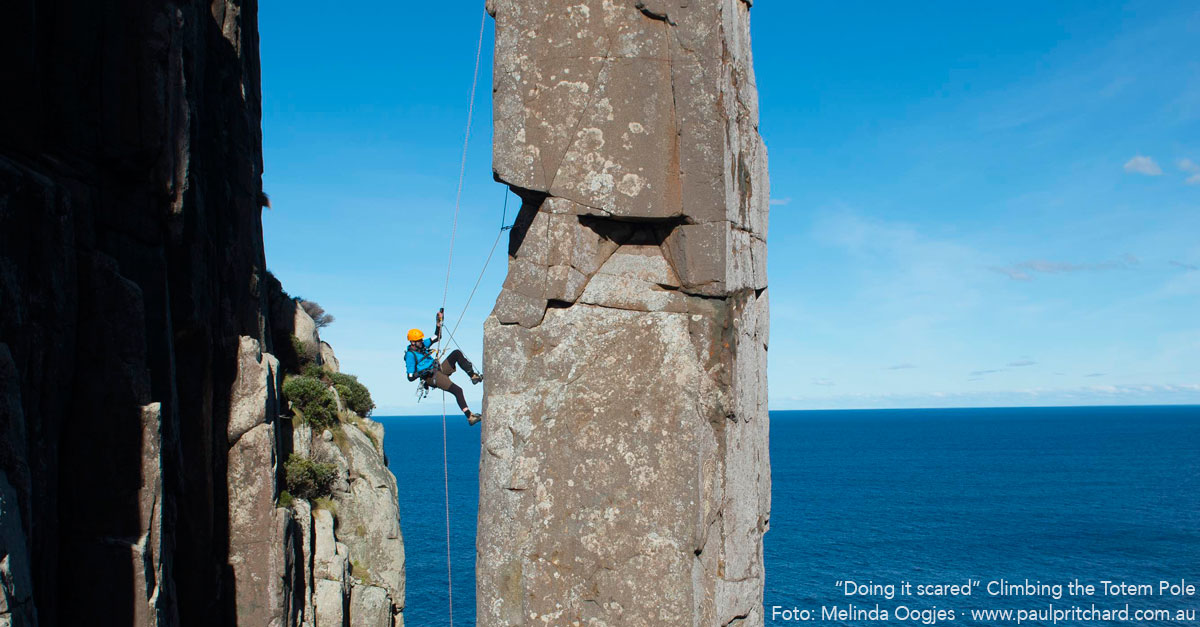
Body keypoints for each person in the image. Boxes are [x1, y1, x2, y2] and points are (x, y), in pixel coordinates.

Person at [406, 310, 484, 425]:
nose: (422, 342)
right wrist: (423, 372)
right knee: (458, 390)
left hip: (437, 368)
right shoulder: (410, 355)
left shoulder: (422, 346)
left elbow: (437, 337)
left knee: (456, 353)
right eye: (419, 341)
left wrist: (438, 324)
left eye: (421, 340)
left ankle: (473, 376)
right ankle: (470, 417)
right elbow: (410, 376)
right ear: (412, 342)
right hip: (431, 377)